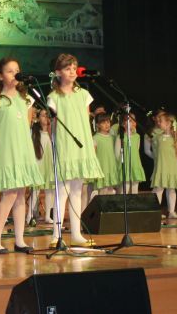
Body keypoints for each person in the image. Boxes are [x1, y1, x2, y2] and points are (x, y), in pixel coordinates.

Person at [0, 57, 44, 254]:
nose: (15, 74)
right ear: (0, 76)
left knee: (20, 195)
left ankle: (20, 240)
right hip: (7, 154)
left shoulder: (27, 100)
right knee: (9, 194)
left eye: (17, 70)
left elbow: (25, 128)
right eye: (10, 71)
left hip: (23, 153)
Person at [46, 54, 103, 247]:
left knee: (77, 191)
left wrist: (89, 144)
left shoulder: (83, 94)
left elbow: (85, 121)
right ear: (58, 72)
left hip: (81, 146)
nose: (72, 72)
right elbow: (53, 126)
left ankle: (77, 234)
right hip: (65, 147)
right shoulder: (53, 97)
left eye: (74, 68)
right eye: (67, 68)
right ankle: (56, 235)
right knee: (62, 191)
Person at [150, 112, 177, 218]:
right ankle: (156, 212)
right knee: (159, 189)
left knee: (171, 189)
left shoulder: (176, 139)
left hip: (171, 167)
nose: (158, 123)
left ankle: (171, 212)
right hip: (161, 167)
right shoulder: (157, 137)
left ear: (169, 123)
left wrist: (173, 167)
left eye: (161, 121)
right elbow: (155, 152)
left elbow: (176, 155)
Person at [28, 108, 55, 225]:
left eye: (48, 115)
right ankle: (29, 215)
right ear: (38, 118)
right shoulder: (35, 133)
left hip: (49, 165)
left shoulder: (51, 133)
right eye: (43, 115)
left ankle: (48, 216)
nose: (46, 117)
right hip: (38, 165)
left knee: (50, 190)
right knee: (36, 190)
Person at [115, 112, 146, 194]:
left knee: (135, 187)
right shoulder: (120, 137)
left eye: (133, 120)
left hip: (135, 164)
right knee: (125, 187)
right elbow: (117, 153)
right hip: (125, 164)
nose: (132, 122)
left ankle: (134, 202)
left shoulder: (137, 136)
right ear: (123, 123)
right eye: (129, 120)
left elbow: (136, 149)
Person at [92, 113, 119, 196]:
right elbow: (93, 155)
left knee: (111, 192)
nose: (107, 124)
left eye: (108, 122)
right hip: (102, 169)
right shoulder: (95, 138)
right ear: (98, 125)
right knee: (102, 193)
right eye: (103, 122)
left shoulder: (113, 138)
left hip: (112, 168)